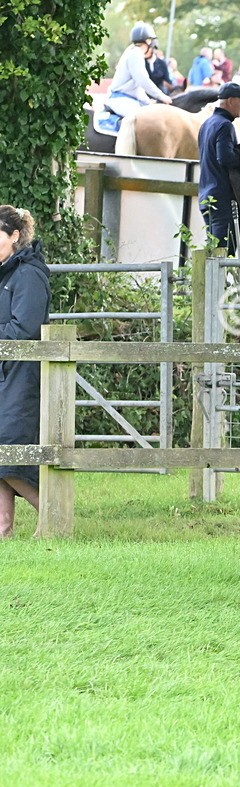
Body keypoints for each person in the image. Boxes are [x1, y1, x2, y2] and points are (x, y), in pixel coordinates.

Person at [0, 206, 50, 539]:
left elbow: (26, 328)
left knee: (11, 456)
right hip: (6, 374)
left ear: (14, 236)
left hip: (22, 377)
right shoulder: (6, 274)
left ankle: (53, 514)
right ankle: (3, 529)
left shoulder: (28, 274)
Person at [198, 82, 240, 252]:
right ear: (230, 101)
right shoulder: (225, 125)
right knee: (224, 252)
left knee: (213, 249)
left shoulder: (207, 124)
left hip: (206, 195)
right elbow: (225, 158)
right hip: (221, 197)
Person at [104, 22, 173, 119]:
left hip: (128, 100)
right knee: (144, 120)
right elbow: (143, 80)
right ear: (148, 41)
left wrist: (148, 102)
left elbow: (137, 88)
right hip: (121, 100)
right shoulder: (135, 54)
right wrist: (162, 96)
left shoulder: (133, 52)